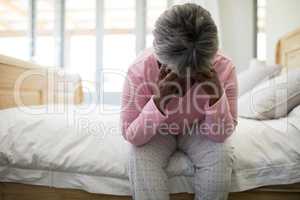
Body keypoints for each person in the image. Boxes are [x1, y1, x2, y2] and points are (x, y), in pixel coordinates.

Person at [121, 3, 238, 200]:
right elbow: (132, 135)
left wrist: (216, 96)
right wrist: (158, 101)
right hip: (158, 131)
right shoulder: (139, 69)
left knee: (221, 154)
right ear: (158, 52)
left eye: (195, 71)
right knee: (138, 156)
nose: (185, 79)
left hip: (198, 128)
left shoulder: (224, 67)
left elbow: (220, 136)